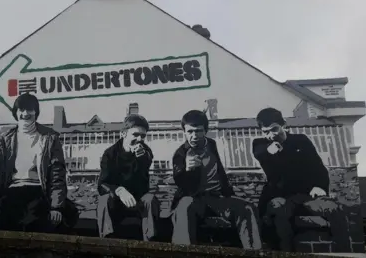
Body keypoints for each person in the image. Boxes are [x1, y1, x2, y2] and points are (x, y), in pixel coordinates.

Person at [252, 107, 351, 252]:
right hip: (281, 197)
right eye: (265, 131)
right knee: (278, 209)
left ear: (284, 125)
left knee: (335, 209)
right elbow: (259, 153)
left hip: (307, 196)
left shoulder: (301, 140)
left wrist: (320, 186)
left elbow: (319, 167)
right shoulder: (260, 144)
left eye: (274, 129)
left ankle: (345, 253)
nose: (271, 135)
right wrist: (269, 151)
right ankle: (285, 253)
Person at [0, 93, 78, 232]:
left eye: (29, 109)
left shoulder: (49, 138)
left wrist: (56, 207)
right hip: (12, 192)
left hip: (38, 191)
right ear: (16, 112)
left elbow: (57, 177)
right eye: (21, 110)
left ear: (36, 112)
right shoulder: (5, 140)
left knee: (35, 224)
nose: (25, 113)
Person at [171, 110, 261, 249]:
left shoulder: (211, 144)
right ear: (184, 132)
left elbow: (220, 171)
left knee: (247, 208)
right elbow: (180, 182)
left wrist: (229, 194)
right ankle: (183, 253)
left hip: (218, 199)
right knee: (184, 206)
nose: (194, 136)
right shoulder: (180, 153)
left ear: (205, 131)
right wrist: (187, 170)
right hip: (194, 199)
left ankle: (254, 253)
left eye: (198, 131)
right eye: (189, 132)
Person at [97, 114, 160, 241]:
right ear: (123, 134)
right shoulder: (110, 154)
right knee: (103, 201)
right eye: (135, 135)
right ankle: (108, 244)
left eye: (143, 136)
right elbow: (102, 185)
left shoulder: (146, 152)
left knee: (150, 200)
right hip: (116, 202)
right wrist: (119, 191)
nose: (139, 139)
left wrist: (141, 160)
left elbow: (143, 182)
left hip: (138, 201)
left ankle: (150, 244)